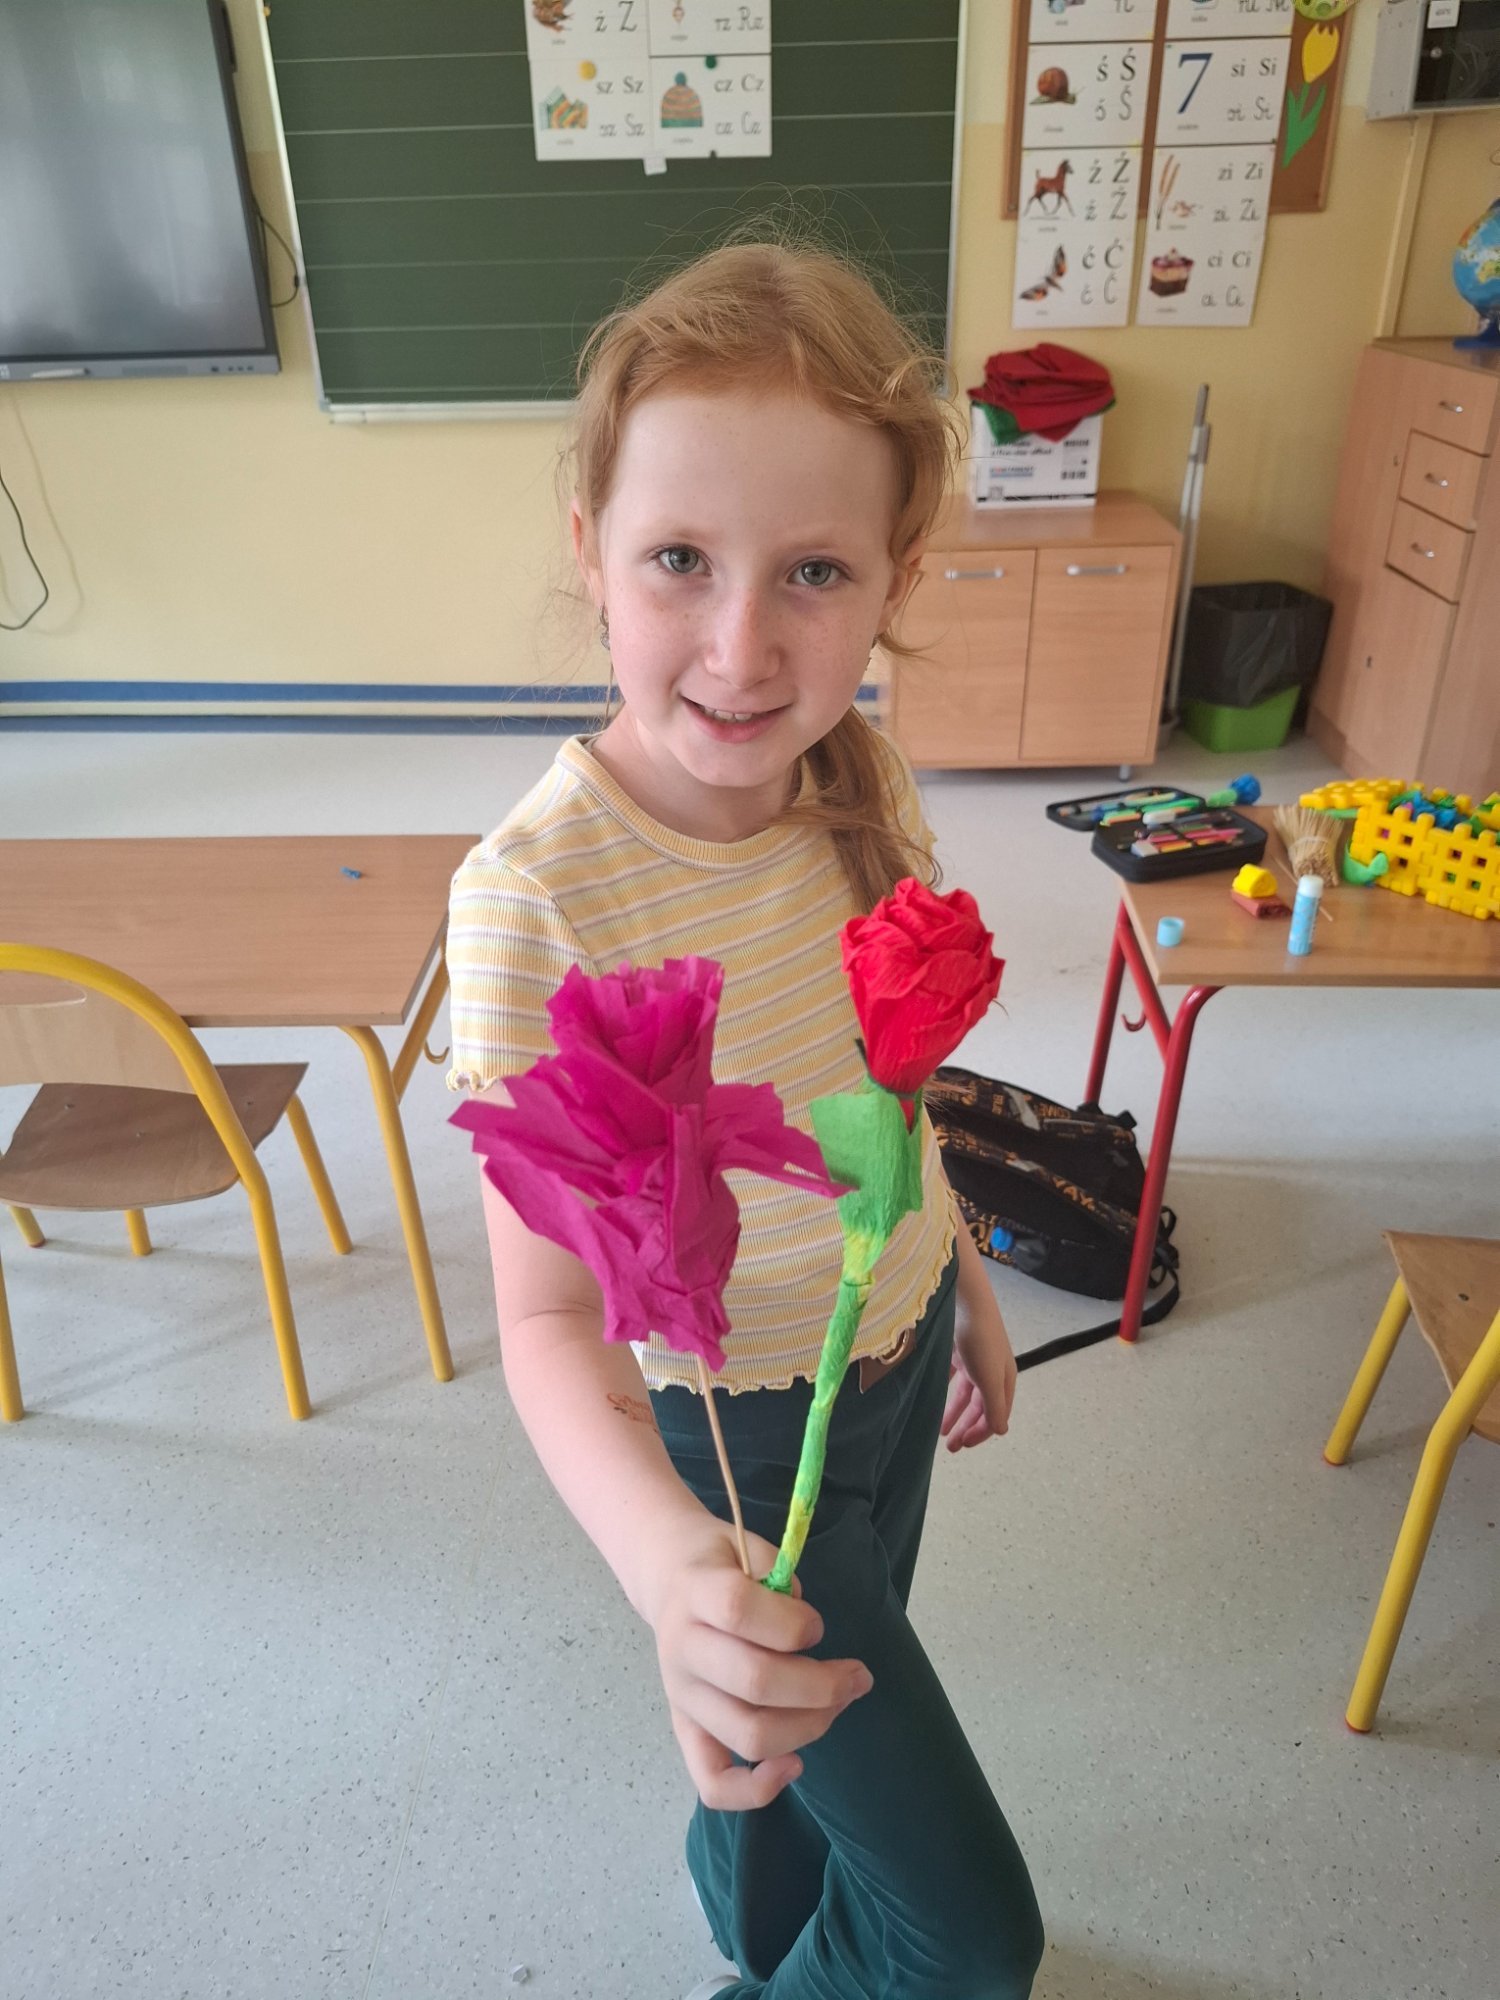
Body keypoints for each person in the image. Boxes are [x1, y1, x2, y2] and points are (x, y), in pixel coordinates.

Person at [446, 240, 1044, 2000]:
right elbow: (551, 1323)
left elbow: (889, 1083)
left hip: (889, 1349)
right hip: (736, 1446)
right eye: (680, 561)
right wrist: (668, 1572)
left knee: (800, 1780)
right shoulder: (540, 903)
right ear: (591, 549)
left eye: (815, 572)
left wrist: (959, 1272)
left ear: (896, 579)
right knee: (967, 1937)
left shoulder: (862, 781)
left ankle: (759, 1937)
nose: (739, 645)